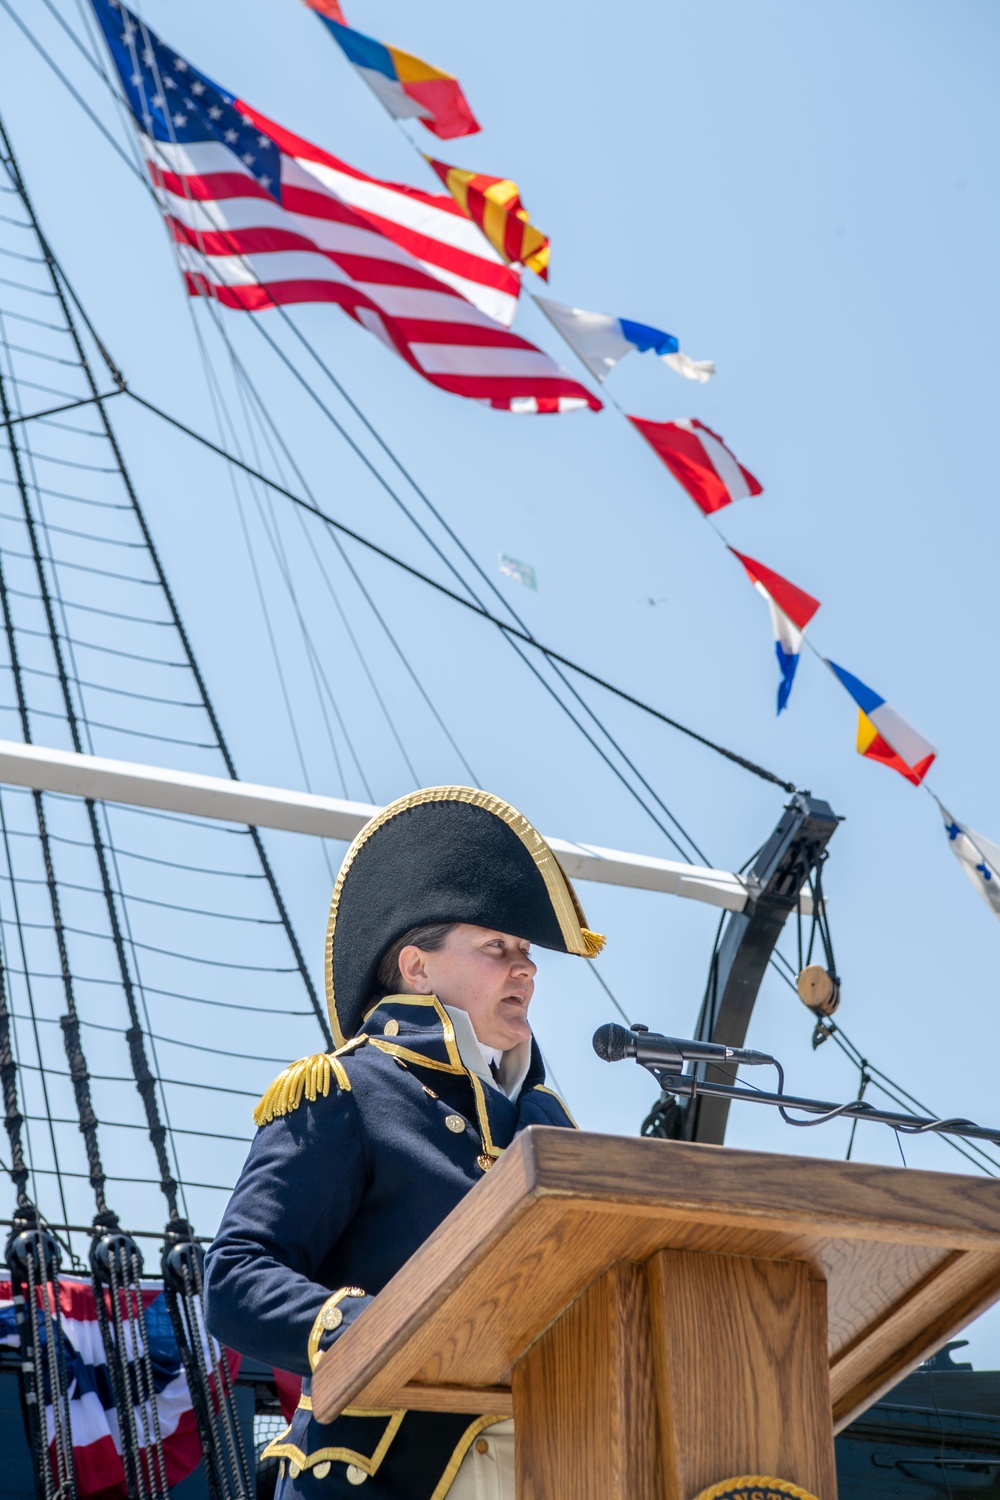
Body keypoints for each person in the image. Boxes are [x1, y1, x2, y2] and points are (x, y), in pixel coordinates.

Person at [204, 786, 605, 1499]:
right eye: (497, 947)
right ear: (417, 968)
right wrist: (367, 1328)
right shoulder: (345, 1091)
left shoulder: (550, 1125)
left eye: (526, 951)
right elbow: (237, 1277)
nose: (527, 969)